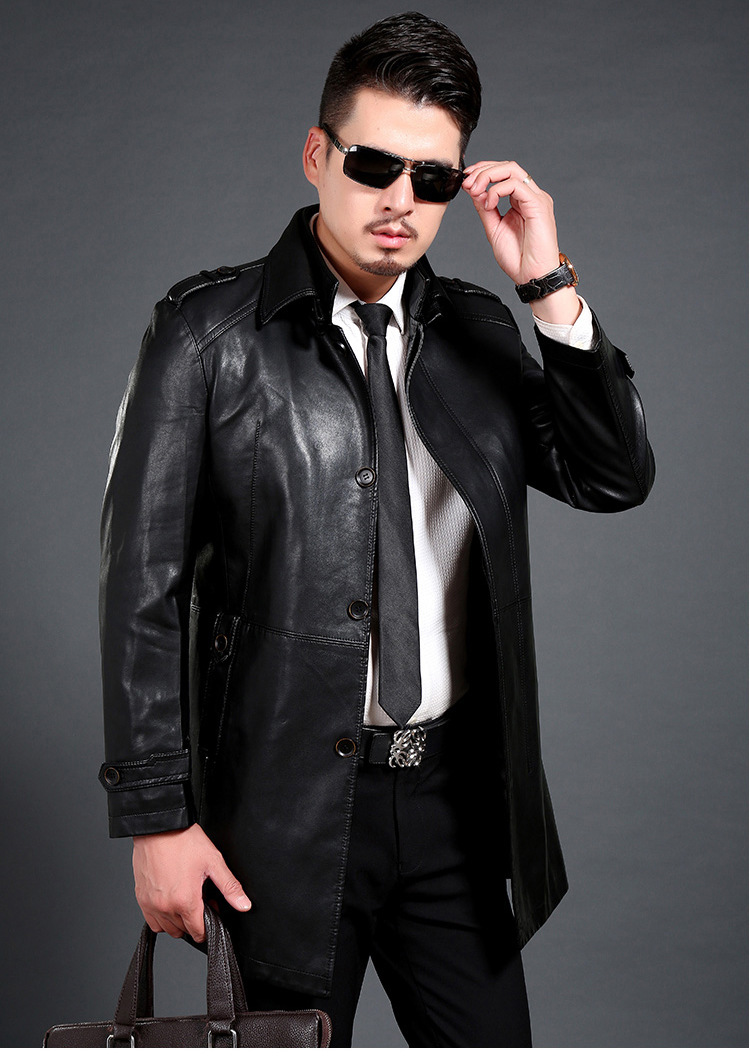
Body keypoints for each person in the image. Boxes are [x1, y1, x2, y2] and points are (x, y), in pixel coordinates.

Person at [98, 11, 655, 1048]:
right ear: (318, 155)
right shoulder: (208, 337)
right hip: (282, 815)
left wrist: (547, 284)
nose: (401, 200)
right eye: (373, 164)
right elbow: (143, 586)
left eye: (432, 178)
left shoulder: (477, 330)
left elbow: (612, 474)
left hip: (453, 808)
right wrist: (156, 818)